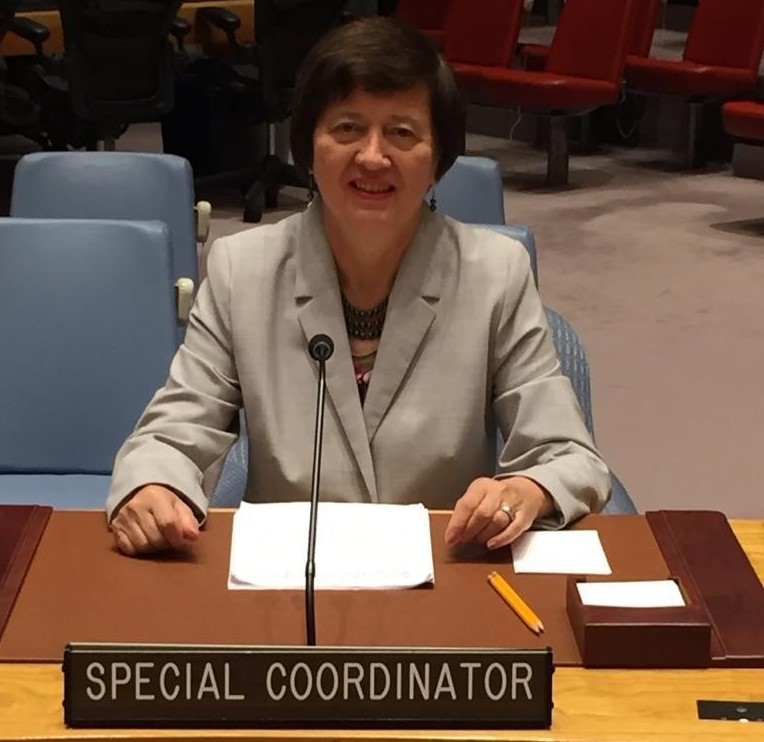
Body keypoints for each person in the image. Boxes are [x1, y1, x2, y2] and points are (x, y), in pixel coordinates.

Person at [107, 17, 610, 556]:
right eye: (347, 128)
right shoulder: (242, 270)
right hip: (288, 575)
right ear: (309, 148)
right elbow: (172, 432)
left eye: (402, 133)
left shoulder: (496, 273)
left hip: (443, 570)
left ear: (438, 160)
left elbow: (566, 454)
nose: (372, 156)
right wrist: (152, 485)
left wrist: (527, 490)